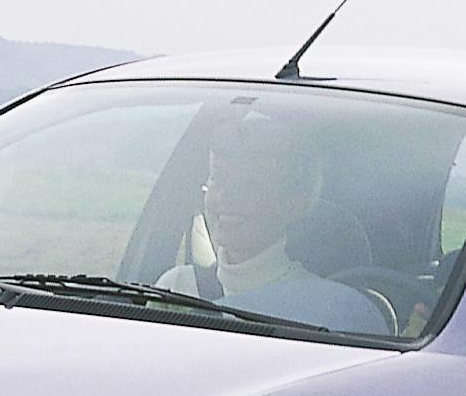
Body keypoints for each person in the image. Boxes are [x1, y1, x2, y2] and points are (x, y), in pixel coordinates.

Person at [158, 112, 391, 333]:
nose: (225, 195)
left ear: (295, 205)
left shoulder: (322, 306)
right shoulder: (176, 287)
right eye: (217, 179)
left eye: (249, 184)